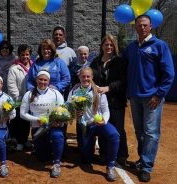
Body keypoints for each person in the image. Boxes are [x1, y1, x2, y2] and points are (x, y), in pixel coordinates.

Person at [122, 15, 175, 182]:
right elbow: (124, 70)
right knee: (140, 131)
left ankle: (146, 167)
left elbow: (169, 73)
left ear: (150, 26)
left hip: (152, 98)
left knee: (151, 133)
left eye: (145, 25)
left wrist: (159, 94)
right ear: (135, 27)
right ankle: (143, 158)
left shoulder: (160, 45)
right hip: (135, 98)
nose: (142, 28)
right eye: (139, 25)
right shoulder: (130, 47)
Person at [67, 67, 120, 181]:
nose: (85, 79)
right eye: (83, 76)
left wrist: (104, 120)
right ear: (79, 77)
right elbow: (68, 108)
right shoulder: (73, 92)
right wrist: (74, 113)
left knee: (114, 135)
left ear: (92, 77)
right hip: (84, 126)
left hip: (98, 123)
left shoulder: (99, 91)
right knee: (86, 160)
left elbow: (105, 110)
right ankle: (88, 149)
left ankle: (110, 166)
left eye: (88, 76)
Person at [90, 34, 128, 165]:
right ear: (102, 46)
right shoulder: (95, 61)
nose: (109, 47)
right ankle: (104, 153)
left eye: (111, 45)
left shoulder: (120, 61)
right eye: (106, 44)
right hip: (99, 102)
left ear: (115, 46)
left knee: (118, 129)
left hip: (116, 101)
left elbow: (123, 81)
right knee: (102, 126)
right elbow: (90, 78)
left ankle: (122, 154)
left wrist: (109, 88)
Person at [21, 70, 65, 178]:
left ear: (49, 81)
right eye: (40, 79)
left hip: (53, 127)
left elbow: (63, 111)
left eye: (45, 80)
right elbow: (22, 113)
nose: (43, 82)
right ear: (36, 80)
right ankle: (49, 149)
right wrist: (37, 119)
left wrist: (58, 121)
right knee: (42, 158)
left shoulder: (55, 93)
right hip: (38, 127)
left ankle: (57, 163)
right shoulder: (29, 94)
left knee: (57, 136)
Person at [7, 44, 33, 151]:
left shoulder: (34, 67)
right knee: (17, 120)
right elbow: (11, 85)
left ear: (30, 55)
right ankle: (17, 141)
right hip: (18, 100)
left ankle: (24, 139)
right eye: (22, 54)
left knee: (26, 120)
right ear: (19, 55)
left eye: (27, 54)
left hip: (30, 99)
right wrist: (19, 98)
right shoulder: (14, 68)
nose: (25, 57)